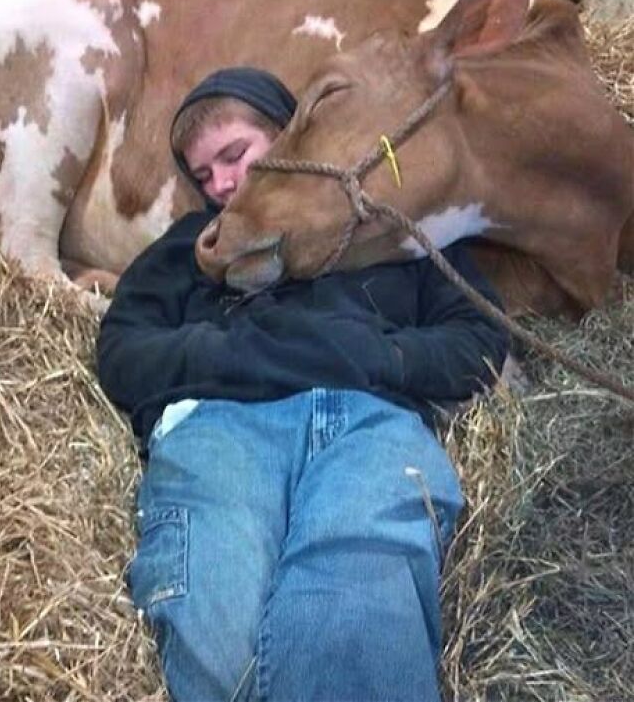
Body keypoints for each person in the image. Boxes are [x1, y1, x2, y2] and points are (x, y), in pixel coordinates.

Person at [96, 66, 509, 702]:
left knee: (356, 593)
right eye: (204, 176)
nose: (223, 186)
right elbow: (124, 350)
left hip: (370, 423)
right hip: (221, 423)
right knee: (218, 625)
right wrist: (234, 354)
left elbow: (479, 339)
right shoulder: (192, 246)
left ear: (290, 137)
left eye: (235, 155)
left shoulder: (384, 223)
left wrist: (380, 357)